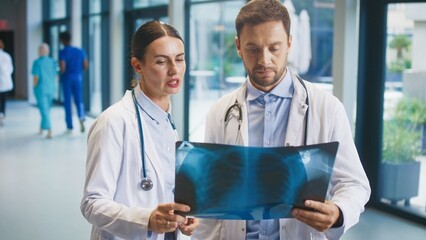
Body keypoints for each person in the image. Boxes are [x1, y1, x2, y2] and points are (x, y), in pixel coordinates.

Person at [193, 1, 371, 240]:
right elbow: (213, 195)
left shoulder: (328, 109)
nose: (264, 60)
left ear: (289, 43)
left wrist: (339, 212)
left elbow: (354, 183)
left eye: (274, 48)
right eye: (253, 49)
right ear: (238, 46)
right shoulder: (219, 112)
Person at [81, 20, 199, 240]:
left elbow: (164, 188)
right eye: (161, 62)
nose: (174, 70)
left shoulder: (167, 121)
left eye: (180, 59)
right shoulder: (114, 122)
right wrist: (146, 219)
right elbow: (92, 203)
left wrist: (187, 214)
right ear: (137, 66)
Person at [59, 31, 88, 133]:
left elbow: (62, 66)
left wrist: (61, 72)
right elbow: (85, 65)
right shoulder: (80, 51)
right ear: (70, 39)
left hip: (67, 78)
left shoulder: (63, 52)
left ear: (62, 40)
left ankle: (69, 125)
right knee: (79, 100)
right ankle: (81, 116)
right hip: (78, 78)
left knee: (68, 102)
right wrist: (78, 71)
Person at [32, 43, 57, 138]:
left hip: (41, 89)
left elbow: (36, 77)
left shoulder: (37, 62)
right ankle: (42, 128)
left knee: (44, 111)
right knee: (46, 110)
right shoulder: (52, 62)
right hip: (51, 88)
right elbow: (55, 75)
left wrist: (34, 87)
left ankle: (49, 130)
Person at [0, 38, 14, 127]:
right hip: (5, 82)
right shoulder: (6, 56)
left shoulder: (5, 56)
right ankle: (1, 117)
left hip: (3, 82)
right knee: (3, 101)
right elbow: (10, 69)